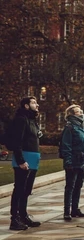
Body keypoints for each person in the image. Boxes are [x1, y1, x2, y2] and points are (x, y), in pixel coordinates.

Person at [8, 97, 42, 230]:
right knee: (19, 189)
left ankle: (23, 215)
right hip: (24, 159)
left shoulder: (32, 120)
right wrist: (21, 160)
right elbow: (17, 142)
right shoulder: (21, 119)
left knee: (27, 190)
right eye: (34, 102)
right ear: (26, 106)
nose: (37, 104)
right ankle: (14, 219)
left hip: (33, 158)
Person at [60, 104, 84, 221]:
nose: (81, 113)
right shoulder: (70, 127)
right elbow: (66, 146)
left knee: (78, 185)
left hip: (83, 162)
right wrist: (68, 162)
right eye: (78, 112)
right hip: (73, 162)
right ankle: (66, 211)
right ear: (72, 115)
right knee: (70, 186)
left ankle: (75, 209)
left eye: (81, 110)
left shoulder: (83, 127)